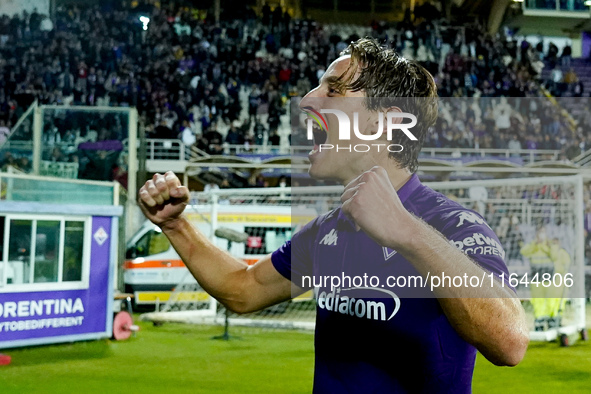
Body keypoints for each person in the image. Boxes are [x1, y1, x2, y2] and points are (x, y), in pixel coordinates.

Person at [138, 38, 528, 393]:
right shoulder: (328, 230)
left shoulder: (454, 226)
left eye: (333, 89)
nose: (307, 100)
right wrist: (176, 224)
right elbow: (242, 289)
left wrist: (406, 231)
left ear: (382, 121)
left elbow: (510, 342)